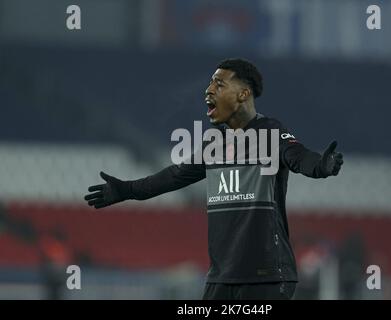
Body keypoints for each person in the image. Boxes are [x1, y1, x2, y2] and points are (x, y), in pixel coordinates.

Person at [84, 58, 343, 300]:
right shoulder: (214, 142)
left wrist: (321, 165)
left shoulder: (270, 131)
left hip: (266, 275)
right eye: (209, 83)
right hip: (221, 277)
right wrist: (127, 190)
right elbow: (174, 176)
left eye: (219, 84)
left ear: (243, 94)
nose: (209, 90)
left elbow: (298, 157)